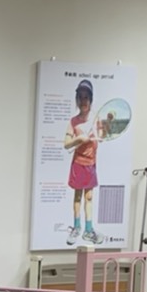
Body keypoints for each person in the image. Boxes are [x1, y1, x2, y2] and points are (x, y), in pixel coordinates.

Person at [63, 79, 100, 246]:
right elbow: (66, 144)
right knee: (78, 196)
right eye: (81, 97)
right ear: (77, 99)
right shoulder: (73, 121)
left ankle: (89, 230)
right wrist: (78, 139)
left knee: (89, 197)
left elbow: (104, 134)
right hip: (78, 164)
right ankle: (77, 227)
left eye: (86, 97)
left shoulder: (96, 119)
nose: (83, 101)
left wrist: (107, 125)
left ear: (91, 99)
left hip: (91, 164)